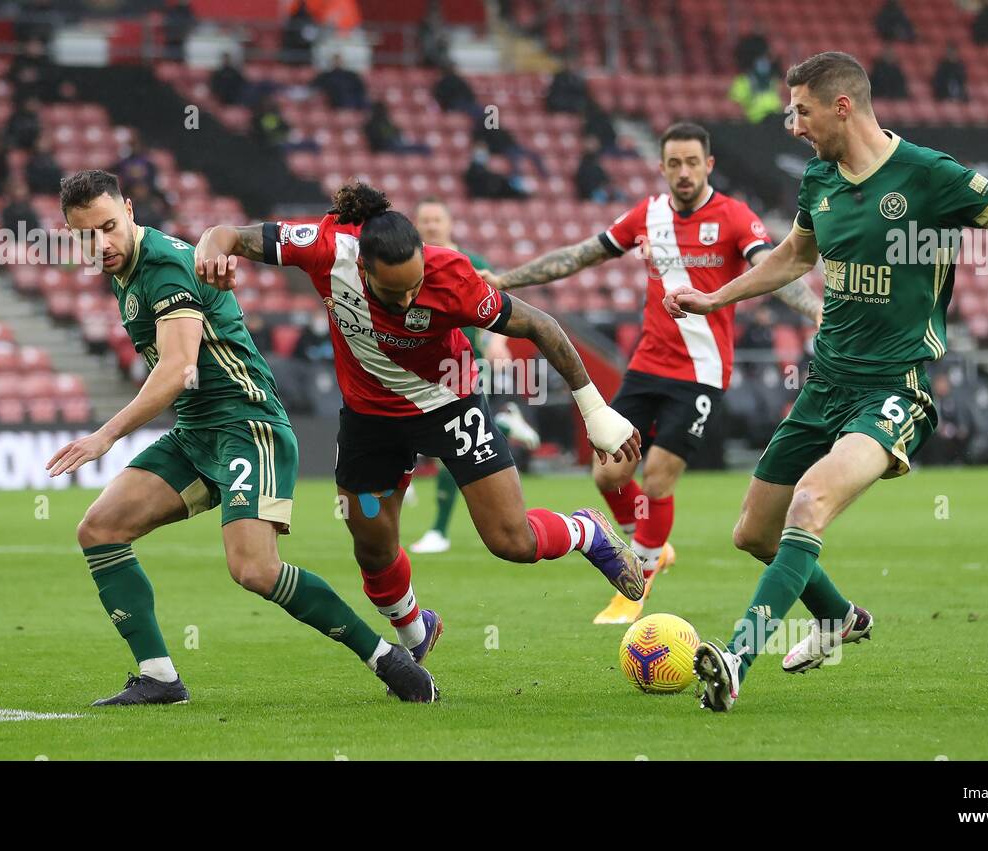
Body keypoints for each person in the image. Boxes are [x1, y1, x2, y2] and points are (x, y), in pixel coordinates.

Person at [662, 51, 988, 712]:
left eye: (800, 111)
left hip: (894, 388)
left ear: (842, 105)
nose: (792, 126)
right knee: (754, 534)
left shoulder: (930, 175)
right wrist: (718, 299)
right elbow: (794, 255)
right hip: (824, 385)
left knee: (809, 504)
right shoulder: (818, 179)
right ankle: (837, 617)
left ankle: (738, 657)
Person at [192, 182, 649, 669]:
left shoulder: (451, 276)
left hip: (450, 404)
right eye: (395, 292)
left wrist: (595, 411)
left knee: (512, 542)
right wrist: (212, 253)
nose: (409, 298)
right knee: (370, 542)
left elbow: (541, 326)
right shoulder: (325, 248)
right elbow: (226, 235)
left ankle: (587, 532)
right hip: (371, 420)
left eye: (415, 285)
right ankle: (416, 634)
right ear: (363, 269)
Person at [47, 170, 438, 705]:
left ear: (131, 210)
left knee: (254, 569)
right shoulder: (128, 267)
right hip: (197, 433)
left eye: (109, 227)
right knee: (100, 529)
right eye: (85, 235)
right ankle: (160, 677)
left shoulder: (161, 268)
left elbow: (178, 368)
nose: (101, 243)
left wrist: (106, 435)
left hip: (247, 427)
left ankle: (387, 658)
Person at [478, 122, 824, 625]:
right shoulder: (648, 215)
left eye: (692, 163)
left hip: (701, 374)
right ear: (662, 167)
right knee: (608, 472)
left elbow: (773, 269)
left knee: (659, 477)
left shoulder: (734, 217)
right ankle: (651, 545)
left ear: (708, 165)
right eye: (674, 164)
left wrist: (813, 310)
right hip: (646, 368)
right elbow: (579, 255)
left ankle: (636, 579)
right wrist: (507, 279)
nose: (683, 173)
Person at [406, 196, 542, 555]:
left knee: (452, 438)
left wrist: (497, 341)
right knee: (437, 435)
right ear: (416, 225)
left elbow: (499, 305)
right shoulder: (408, 264)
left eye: (437, 218)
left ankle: (437, 529)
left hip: (461, 363)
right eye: (426, 219)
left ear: (450, 224)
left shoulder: (470, 263)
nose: (432, 225)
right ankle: (502, 423)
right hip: (419, 364)